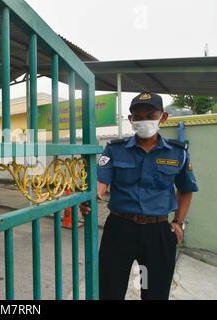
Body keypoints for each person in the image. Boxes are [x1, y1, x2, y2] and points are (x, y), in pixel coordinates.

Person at [80, 91, 198, 300]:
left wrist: (179, 222)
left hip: (159, 233)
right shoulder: (114, 150)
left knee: (154, 293)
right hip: (119, 230)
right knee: (110, 290)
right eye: (139, 116)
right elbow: (101, 182)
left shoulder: (177, 153)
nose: (144, 120)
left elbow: (186, 189)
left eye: (150, 115)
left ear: (163, 117)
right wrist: (90, 198)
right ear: (131, 119)